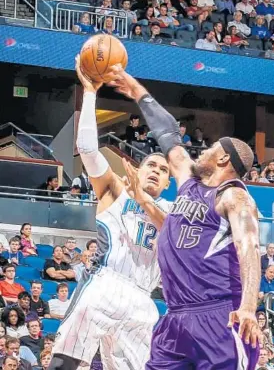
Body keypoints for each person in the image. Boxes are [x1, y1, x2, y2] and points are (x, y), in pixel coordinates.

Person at [108, 64, 261, 369]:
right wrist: (137, 91)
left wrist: (248, 308)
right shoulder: (188, 182)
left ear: (223, 158)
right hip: (175, 318)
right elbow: (167, 133)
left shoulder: (234, 196)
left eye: (210, 149)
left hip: (219, 317)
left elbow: (250, 249)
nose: (201, 151)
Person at [48, 56, 172, 370]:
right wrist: (90, 92)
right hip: (105, 282)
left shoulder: (172, 211)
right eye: (151, 166)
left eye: (163, 170)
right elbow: (88, 149)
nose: (156, 171)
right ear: (139, 170)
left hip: (144, 298)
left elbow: (173, 230)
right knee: (67, 359)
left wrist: (145, 200)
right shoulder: (116, 189)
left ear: (170, 182)